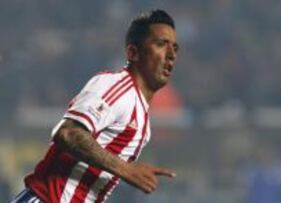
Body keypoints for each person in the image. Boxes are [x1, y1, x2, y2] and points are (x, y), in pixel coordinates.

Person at [11, 9, 179, 203]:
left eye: (175, 48)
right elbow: (67, 133)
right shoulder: (116, 86)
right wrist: (127, 170)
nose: (171, 55)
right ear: (133, 52)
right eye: (161, 44)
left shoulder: (142, 120)